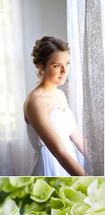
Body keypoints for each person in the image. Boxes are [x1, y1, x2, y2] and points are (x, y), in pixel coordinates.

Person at [24, 36, 86, 176]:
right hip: (52, 167)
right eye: (57, 66)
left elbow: (76, 136)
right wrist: (84, 178)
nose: (64, 71)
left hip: (71, 161)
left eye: (67, 63)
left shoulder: (60, 95)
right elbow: (59, 152)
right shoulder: (35, 102)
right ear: (41, 66)